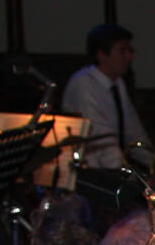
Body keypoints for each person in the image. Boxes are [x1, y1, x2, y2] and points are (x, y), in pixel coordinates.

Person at [62, 24, 149, 169]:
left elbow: (133, 131)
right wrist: (123, 172)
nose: (130, 56)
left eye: (130, 50)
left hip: (110, 168)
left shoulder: (117, 83)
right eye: (122, 51)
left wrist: (154, 163)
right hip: (90, 172)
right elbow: (100, 138)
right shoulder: (83, 84)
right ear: (101, 54)